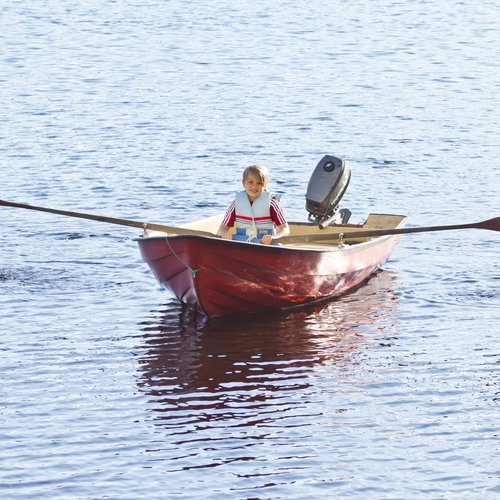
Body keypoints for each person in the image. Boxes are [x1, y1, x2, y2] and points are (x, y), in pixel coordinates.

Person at [217, 163, 290, 244]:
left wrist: (274, 237)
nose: (254, 186)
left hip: (266, 244)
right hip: (241, 243)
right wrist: (224, 235)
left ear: (265, 185)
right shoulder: (235, 204)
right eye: (250, 182)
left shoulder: (272, 203)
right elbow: (222, 229)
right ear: (243, 183)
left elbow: (285, 229)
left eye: (259, 183)